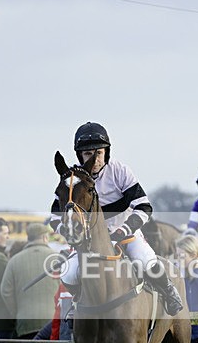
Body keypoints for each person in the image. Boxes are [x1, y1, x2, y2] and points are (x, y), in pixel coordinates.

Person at [50, 121, 183, 316]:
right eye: (88, 154)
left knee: (145, 260)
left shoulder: (120, 171)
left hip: (124, 233)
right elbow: (54, 216)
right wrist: (69, 232)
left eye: (99, 153)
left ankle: (169, 291)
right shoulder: (72, 180)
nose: (94, 159)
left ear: (106, 152)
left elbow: (144, 207)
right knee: (69, 274)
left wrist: (123, 230)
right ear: (80, 156)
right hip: (89, 241)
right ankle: (78, 302)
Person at [1, 223, 59, 343]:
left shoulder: (14, 261)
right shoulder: (57, 259)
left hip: (25, 321)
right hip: (52, 321)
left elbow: (5, 291)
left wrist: (17, 311)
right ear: (44, 238)